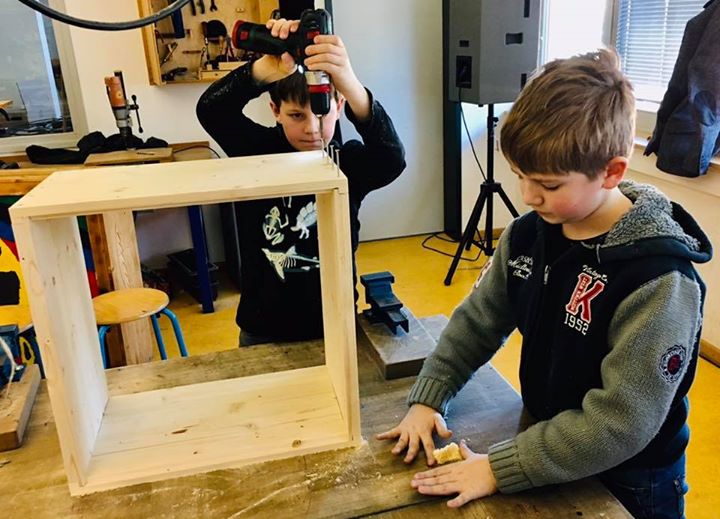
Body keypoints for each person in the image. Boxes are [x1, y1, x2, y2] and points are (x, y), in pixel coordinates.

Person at [377, 49, 711, 518]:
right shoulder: (529, 233)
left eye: (549, 185)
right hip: (549, 441)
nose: (529, 197)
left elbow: (622, 422)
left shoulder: (658, 280)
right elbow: (478, 322)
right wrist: (429, 396)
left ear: (612, 171)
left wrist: (497, 469)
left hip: (634, 481)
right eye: (519, 177)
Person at [196, 17, 405, 346]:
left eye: (322, 114)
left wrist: (350, 84)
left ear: (338, 107)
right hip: (263, 328)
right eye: (297, 115)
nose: (312, 128)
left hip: (333, 323)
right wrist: (265, 70)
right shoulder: (258, 153)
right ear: (275, 110)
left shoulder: (345, 163)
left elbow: (392, 157)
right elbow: (211, 110)